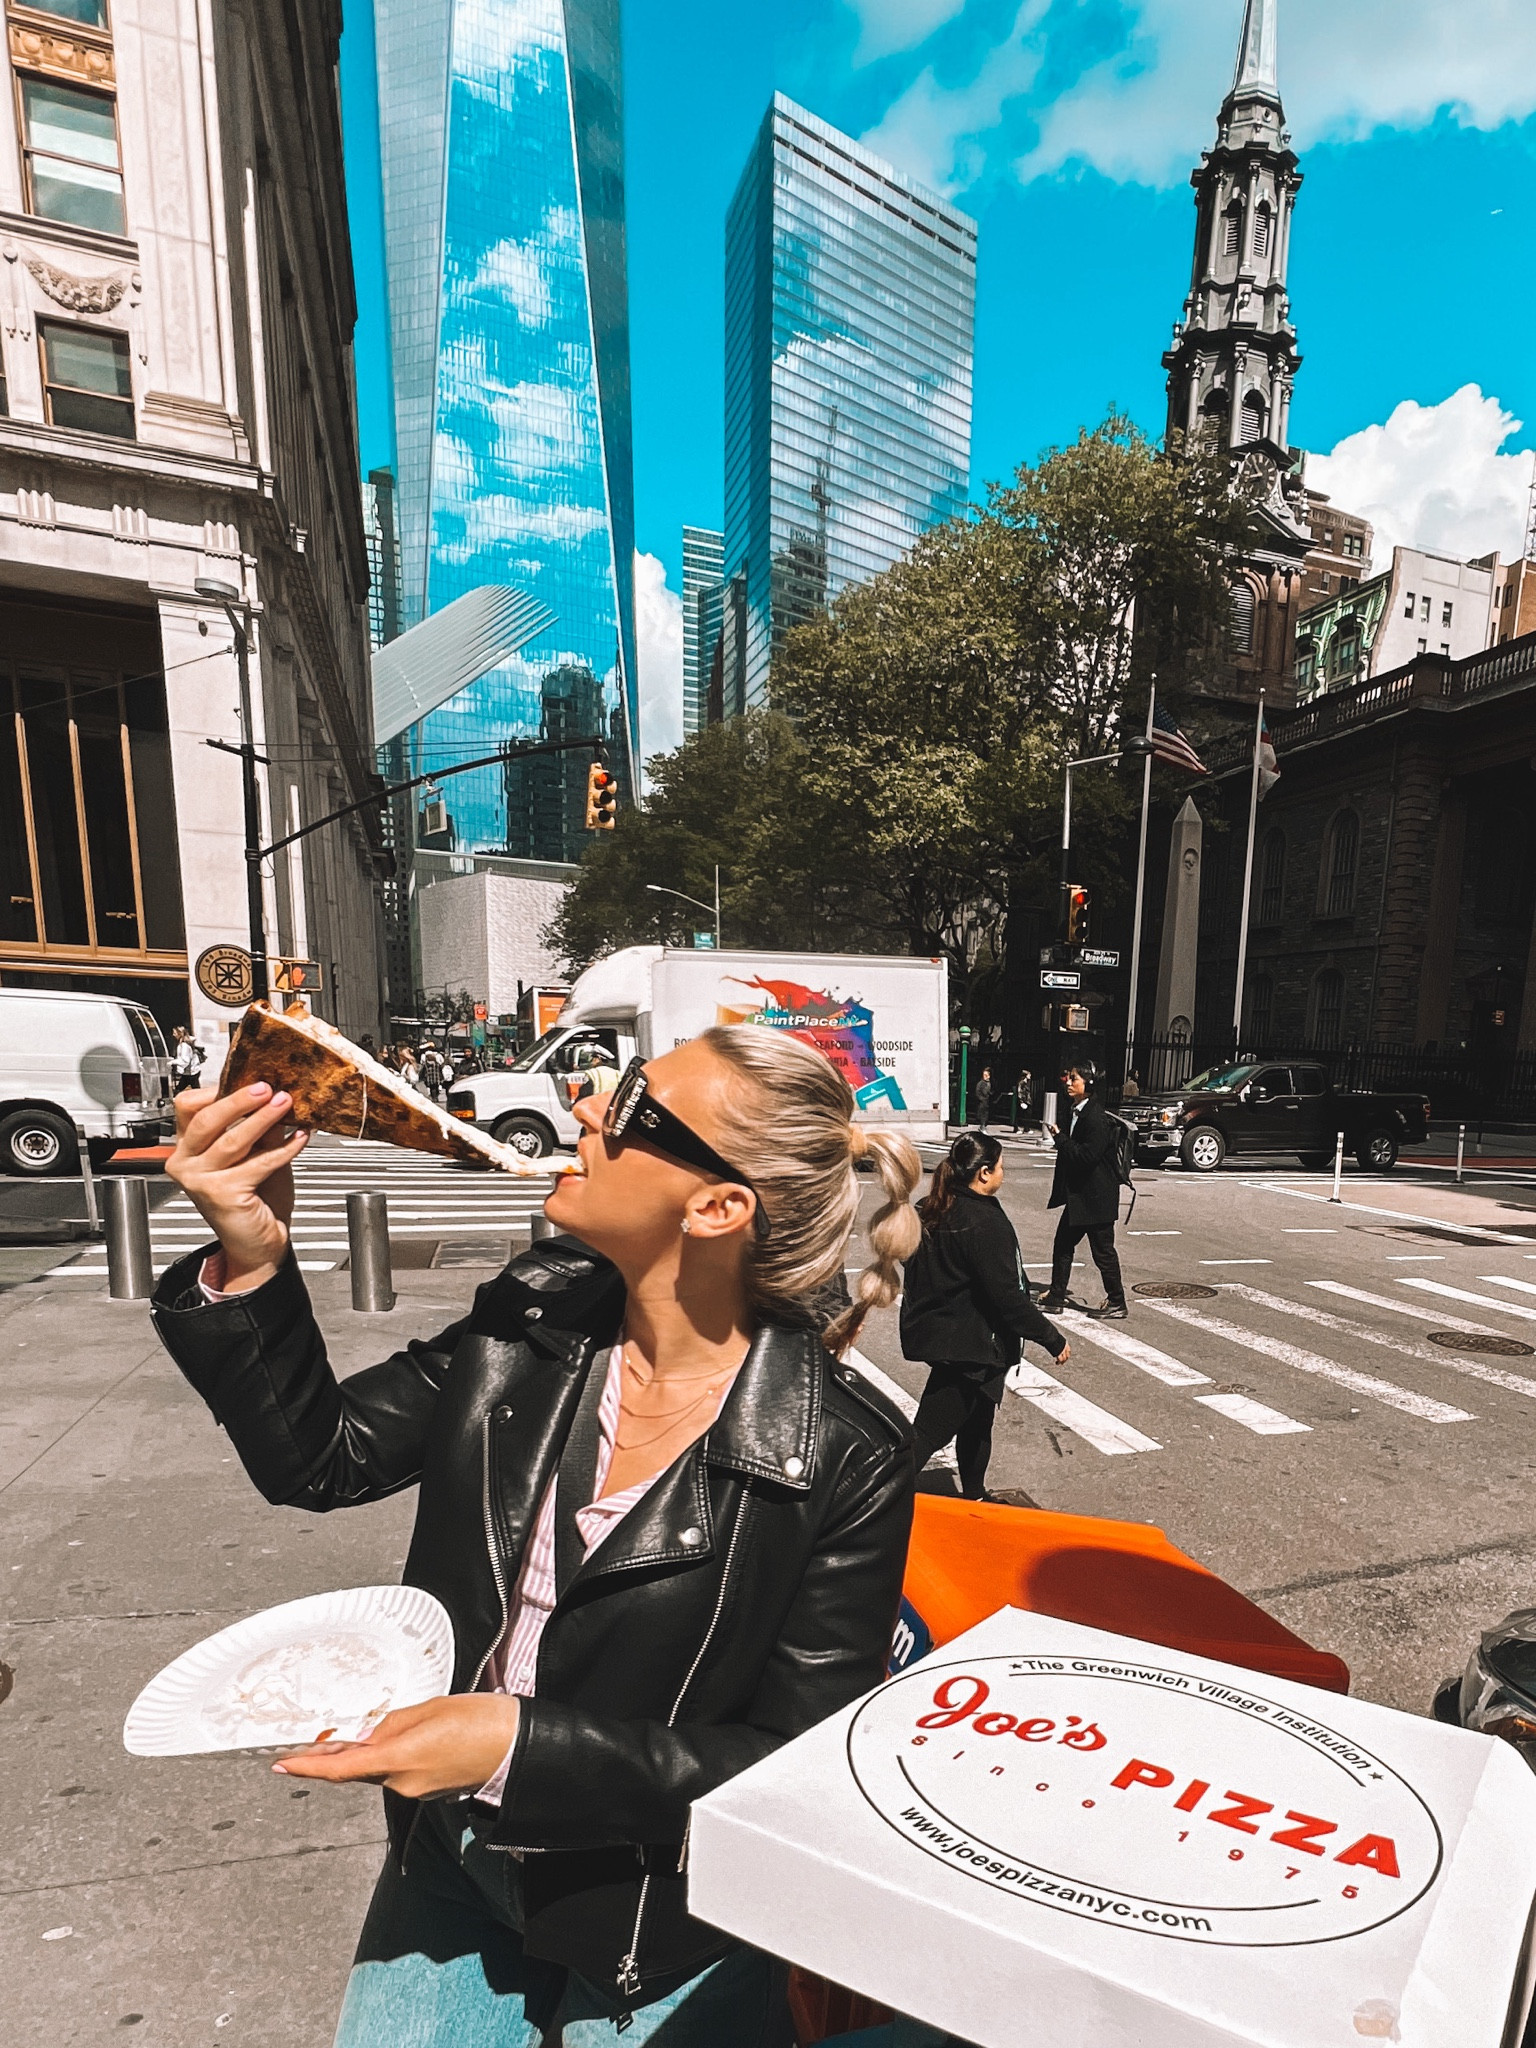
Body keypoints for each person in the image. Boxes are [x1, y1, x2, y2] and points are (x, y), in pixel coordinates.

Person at [149, 1028, 923, 2044]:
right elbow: (321, 1456)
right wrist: (251, 1255)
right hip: (455, 1857)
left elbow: (789, 1768)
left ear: (717, 1205)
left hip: (662, 1919)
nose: (593, 1102)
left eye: (637, 1103)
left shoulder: (840, 1454)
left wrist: (517, 1743)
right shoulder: (535, 1313)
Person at [900, 1132, 1068, 1501]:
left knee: (977, 1424)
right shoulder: (982, 1221)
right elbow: (1006, 1296)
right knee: (927, 1434)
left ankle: (975, 1495)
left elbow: (908, 1257)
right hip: (971, 1346)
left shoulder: (932, 1207)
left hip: (955, 1339)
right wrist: (1052, 1338)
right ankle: (869, 1504)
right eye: (1001, 1166)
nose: (1003, 1173)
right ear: (984, 1173)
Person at [1038, 1061, 1128, 1320]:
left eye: (1074, 1079)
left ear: (1088, 1084)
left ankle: (1117, 1301)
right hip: (1081, 1197)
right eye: (1068, 1078)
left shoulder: (1096, 1118)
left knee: (1103, 1252)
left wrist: (1061, 1139)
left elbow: (1087, 1157)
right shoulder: (1078, 1111)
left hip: (1096, 1198)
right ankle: (1056, 1296)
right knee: (1063, 1245)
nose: (1068, 1082)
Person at [170, 1025, 206, 1096]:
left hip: (191, 1073)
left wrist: (172, 1062)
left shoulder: (184, 1046)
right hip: (191, 1071)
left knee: (181, 1089)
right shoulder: (185, 1043)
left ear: (180, 1034)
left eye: (175, 1033)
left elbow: (185, 1061)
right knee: (189, 1089)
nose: (173, 1035)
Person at [973, 1064, 993, 1131]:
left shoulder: (989, 1083)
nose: (986, 1077)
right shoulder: (980, 1083)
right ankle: (982, 1126)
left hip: (987, 1101)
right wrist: (981, 1098)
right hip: (982, 1101)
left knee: (986, 1114)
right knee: (982, 1114)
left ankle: (983, 1126)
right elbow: (977, 1092)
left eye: (987, 1075)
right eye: (984, 1075)